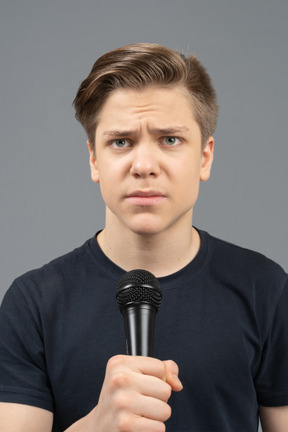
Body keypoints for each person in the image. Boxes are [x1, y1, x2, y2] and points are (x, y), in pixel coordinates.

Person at [0, 43, 287, 432]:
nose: (145, 166)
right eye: (121, 141)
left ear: (204, 157)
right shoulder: (32, 303)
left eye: (170, 139)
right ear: (93, 159)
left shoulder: (266, 289)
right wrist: (96, 426)